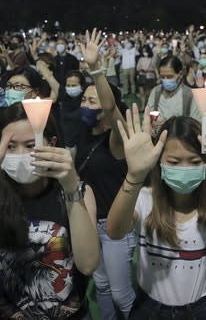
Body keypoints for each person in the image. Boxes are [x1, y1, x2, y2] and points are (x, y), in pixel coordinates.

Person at [0, 104, 99, 319]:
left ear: (52, 144)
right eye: (10, 146)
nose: (21, 155)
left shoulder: (78, 192)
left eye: (30, 145)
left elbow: (88, 264)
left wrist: (71, 187)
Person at [106, 106, 206, 320]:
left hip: (200, 310)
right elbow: (115, 230)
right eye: (174, 162)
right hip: (149, 308)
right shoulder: (145, 199)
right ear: (159, 163)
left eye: (194, 162)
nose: (184, 169)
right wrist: (134, 175)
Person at [75, 30, 136, 320]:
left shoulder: (116, 140)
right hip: (89, 223)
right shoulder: (83, 136)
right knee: (100, 284)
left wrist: (97, 70)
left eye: (92, 100)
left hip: (115, 228)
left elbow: (110, 109)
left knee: (121, 294)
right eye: (84, 100)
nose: (85, 105)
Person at [146, 55, 202, 127]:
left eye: (170, 77)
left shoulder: (189, 95)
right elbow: (147, 117)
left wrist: (169, 124)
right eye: (162, 77)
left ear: (180, 74)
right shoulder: (156, 92)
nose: (166, 80)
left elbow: (197, 124)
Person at [136, 44, 157, 109]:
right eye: (143, 51)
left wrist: (148, 70)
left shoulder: (152, 59)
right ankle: (142, 106)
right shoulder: (141, 59)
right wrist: (140, 70)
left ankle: (148, 106)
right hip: (142, 77)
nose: (144, 52)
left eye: (146, 51)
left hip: (149, 77)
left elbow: (155, 69)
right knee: (142, 93)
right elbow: (137, 68)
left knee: (148, 93)